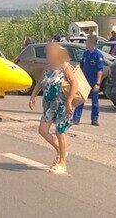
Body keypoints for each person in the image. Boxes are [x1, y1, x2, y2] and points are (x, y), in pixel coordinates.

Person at [28, 43, 76, 174]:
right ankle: (61, 150)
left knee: (60, 132)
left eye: (50, 53)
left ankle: (62, 163)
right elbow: (39, 84)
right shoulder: (48, 68)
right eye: (47, 53)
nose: (48, 56)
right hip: (49, 106)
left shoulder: (65, 67)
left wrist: (69, 101)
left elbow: (74, 84)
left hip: (62, 105)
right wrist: (33, 96)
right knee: (42, 130)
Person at [73, 34, 104, 126]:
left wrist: (98, 83)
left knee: (95, 102)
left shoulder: (98, 55)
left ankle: (94, 119)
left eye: (87, 41)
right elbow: (82, 66)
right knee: (80, 99)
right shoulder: (85, 53)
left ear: (93, 43)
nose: (86, 43)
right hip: (85, 81)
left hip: (93, 81)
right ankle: (76, 118)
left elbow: (100, 70)